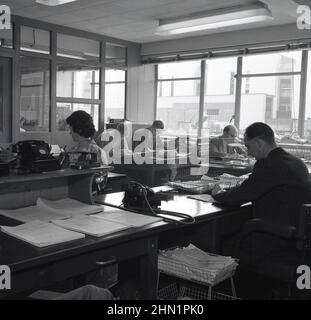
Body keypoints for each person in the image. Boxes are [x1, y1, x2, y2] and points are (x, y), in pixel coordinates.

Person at [212, 122, 311, 261]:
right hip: (297, 238)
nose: (249, 152)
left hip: (275, 240)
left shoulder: (269, 164)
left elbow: (238, 197)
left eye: (248, 146)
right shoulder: (295, 162)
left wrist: (217, 193)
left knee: (218, 242)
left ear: (258, 143)